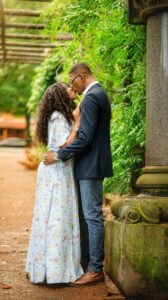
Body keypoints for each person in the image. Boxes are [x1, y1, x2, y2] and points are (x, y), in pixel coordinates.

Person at [44, 63, 113, 286]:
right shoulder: (97, 94)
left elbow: (85, 137)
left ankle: (95, 269)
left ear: (81, 77)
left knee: (92, 216)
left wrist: (59, 155)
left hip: (91, 165)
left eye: (72, 80)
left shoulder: (93, 97)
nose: (71, 85)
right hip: (89, 164)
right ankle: (87, 263)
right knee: (88, 216)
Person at [25, 82, 84, 284]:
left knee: (50, 216)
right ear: (61, 95)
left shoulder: (58, 116)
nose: (72, 89)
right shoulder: (59, 117)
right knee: (57, 216)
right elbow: (65, 145)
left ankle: (44, 269)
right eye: (68, 88)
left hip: (56, 169)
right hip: (56, 170)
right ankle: (55, 272)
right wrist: (77, 122)